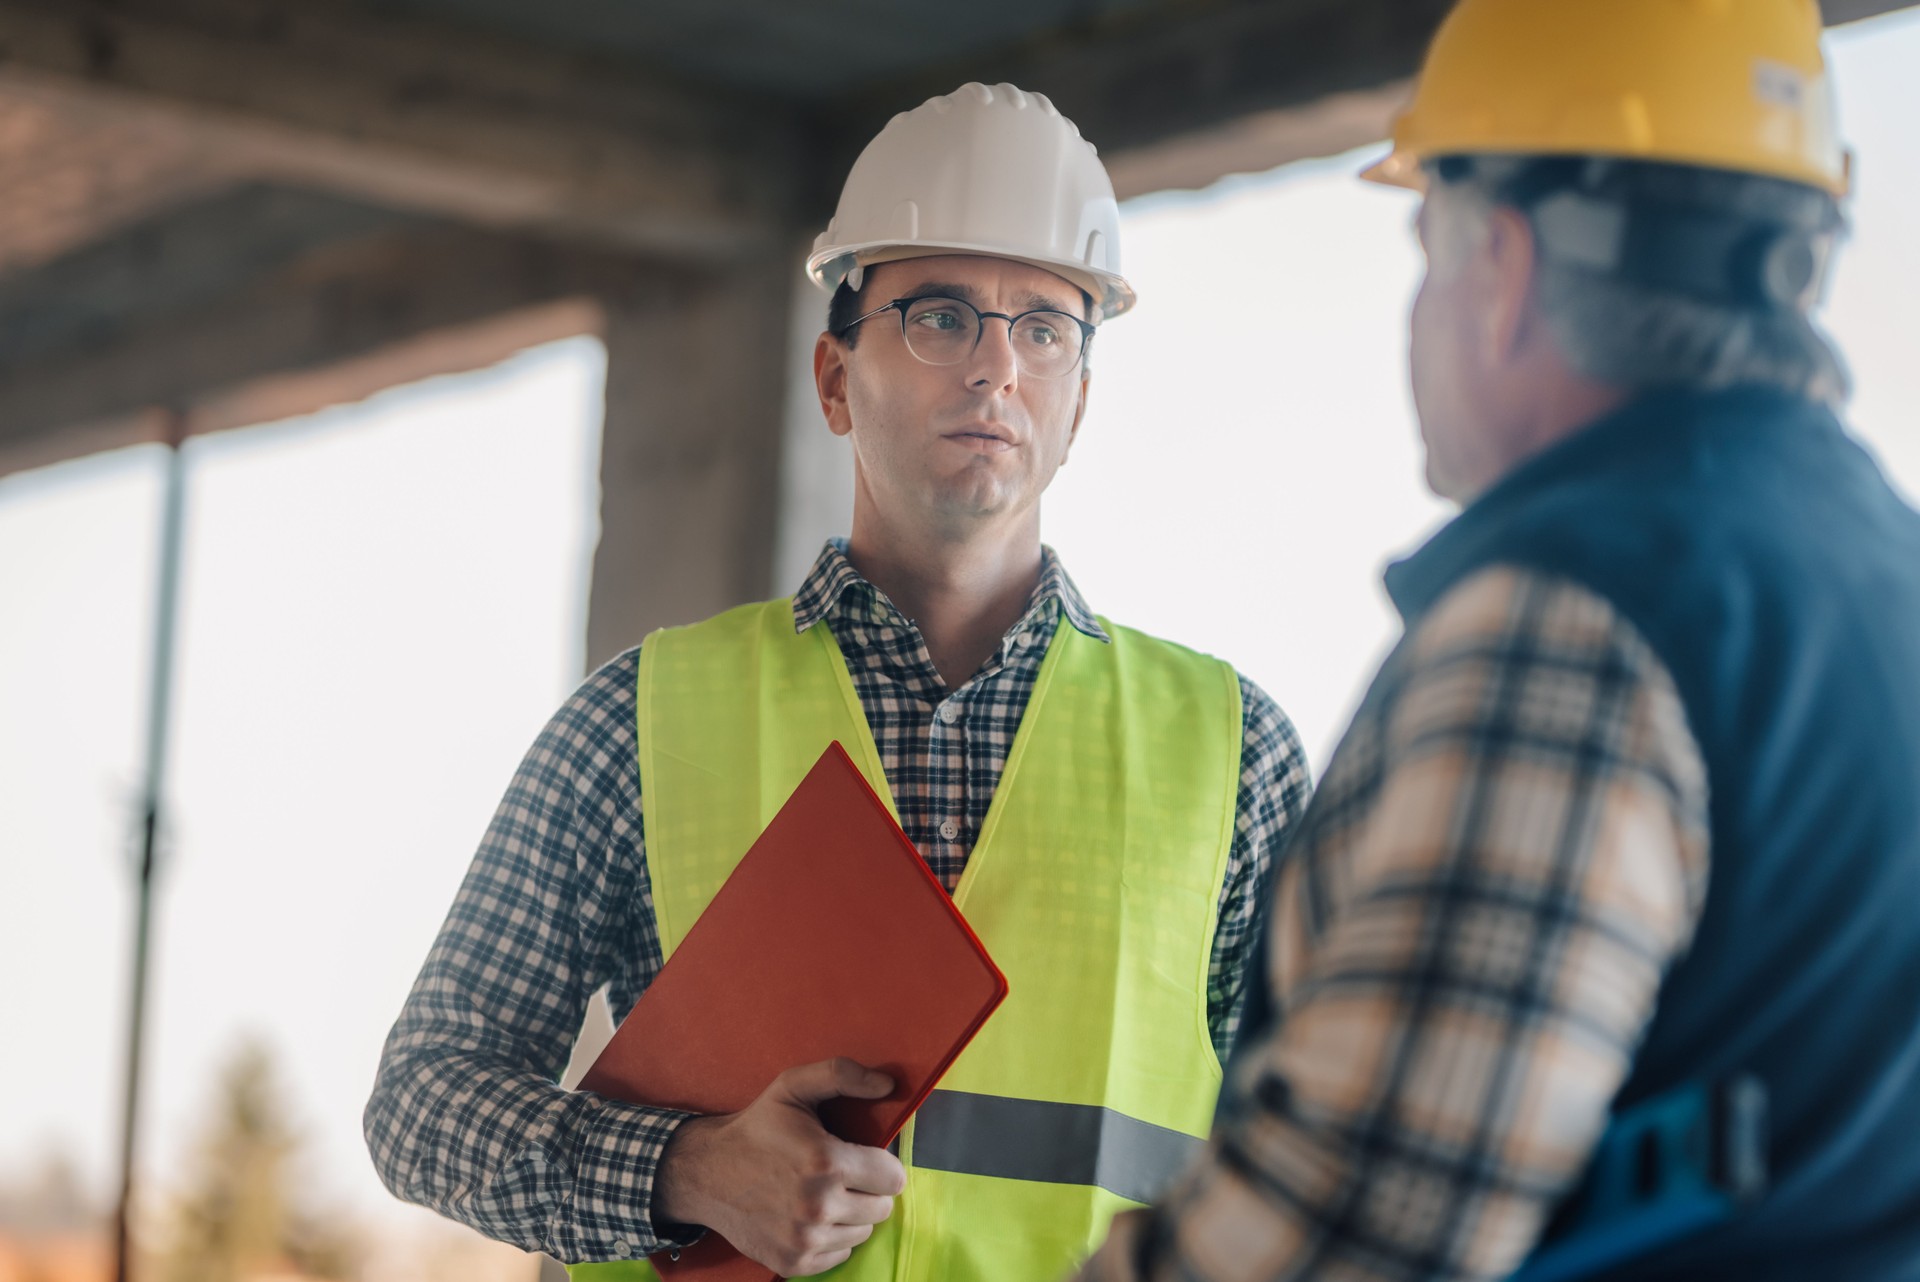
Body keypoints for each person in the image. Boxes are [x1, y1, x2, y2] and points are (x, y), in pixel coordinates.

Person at [364, 81, 1312, 1281]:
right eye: (939, 316)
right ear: (831, 379)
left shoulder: (1235, 753)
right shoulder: (641, 718)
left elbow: (1324, 1147)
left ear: (1079, 404)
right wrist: (685, 1169)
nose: (995, 370)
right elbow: (422, 1100)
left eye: (1044, 328)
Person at [1078, 1, 1920, 1278]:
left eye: (1427, 249)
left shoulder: (1577, 620)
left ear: (1503, 271)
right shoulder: (1879, 580)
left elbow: (1346, 1239)